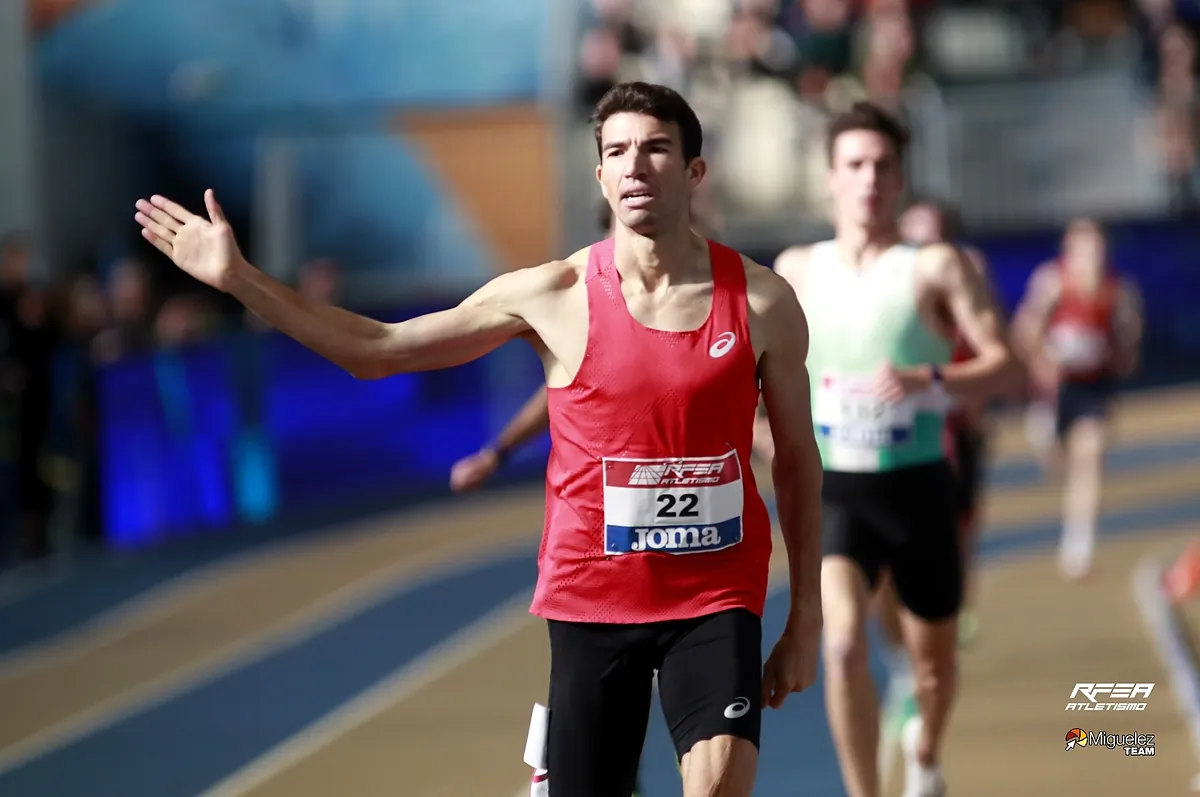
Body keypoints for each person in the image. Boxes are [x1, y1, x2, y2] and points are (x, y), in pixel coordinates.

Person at [135, 80, 824, 797]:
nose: (635, 166)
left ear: (694, 172)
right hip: (591, 600)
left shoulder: (763, 302)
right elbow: (379, 349)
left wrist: (805, 612)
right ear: (599, 176)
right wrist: (241, 279)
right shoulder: (551, 295)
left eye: (656, 149)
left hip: (713, 594)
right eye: (617, 151)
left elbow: (799, 463)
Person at [765, 103, 1018, 797]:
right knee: (842, 644)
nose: (869, 178)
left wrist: (926, 378)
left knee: (931, 664)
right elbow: (765, 376)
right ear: (830, 180)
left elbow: (1009, 366)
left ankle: (926, 750)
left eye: (882, 165)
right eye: (854, 165)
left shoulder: (935, 266)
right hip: (836, 490)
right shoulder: (798, 268)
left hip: (919, 489)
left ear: (901, 178)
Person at [1011, 218, 1143, 582]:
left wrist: (1125, 346)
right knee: (1059, 466)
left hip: (1093, 387)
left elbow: (1129, 351)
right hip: (1054, 389)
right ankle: (1044, 432)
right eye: (1086, 250)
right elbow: (1024, 331)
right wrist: (1043, 359)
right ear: (1070, 251)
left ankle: (1078, 544)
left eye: (1099, 250)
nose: (1094, 259)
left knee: (1092, 456)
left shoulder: (1120, 291)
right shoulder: (1052, 283)